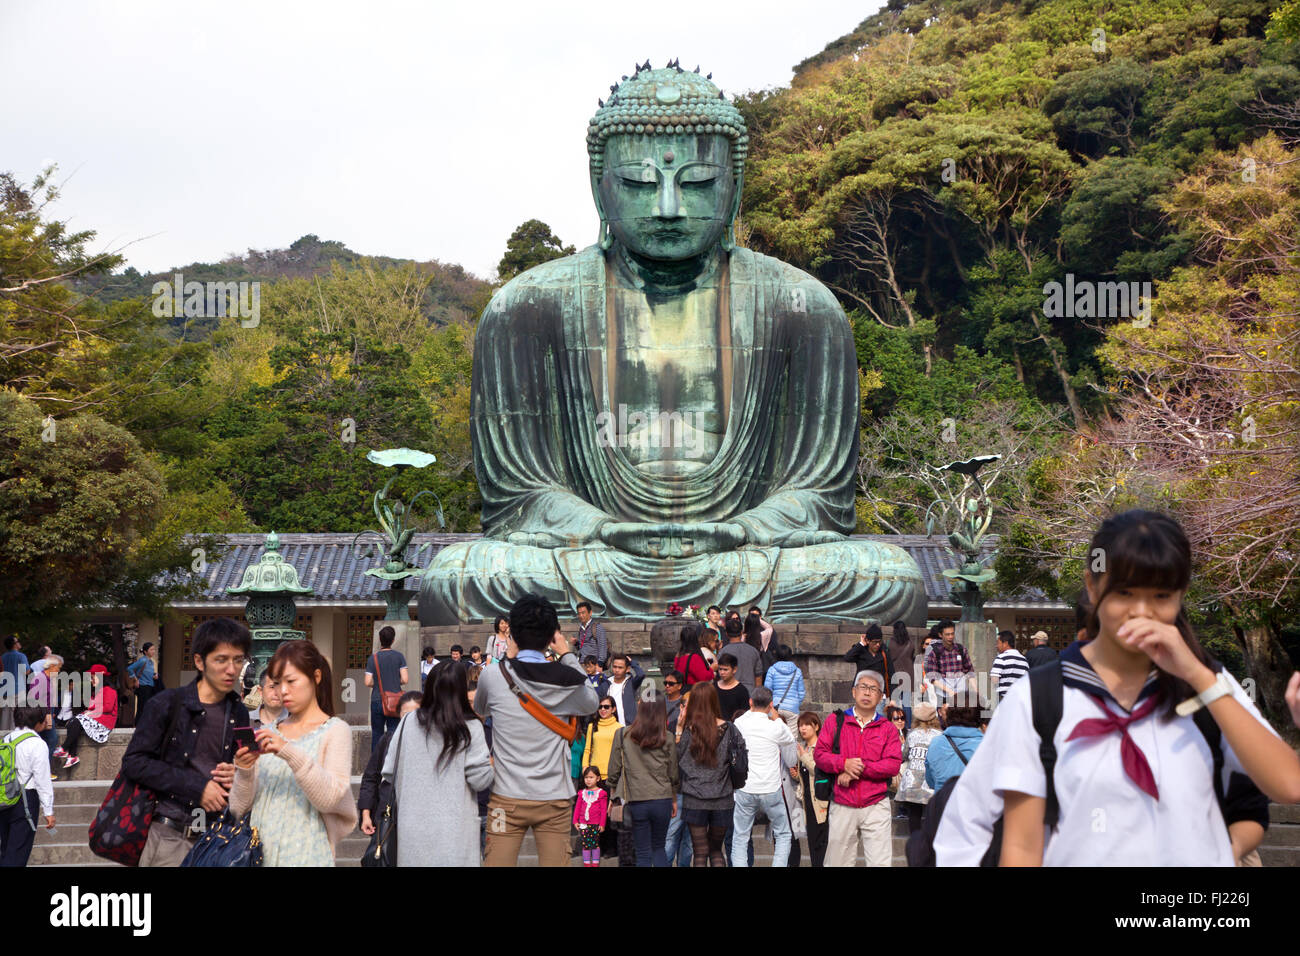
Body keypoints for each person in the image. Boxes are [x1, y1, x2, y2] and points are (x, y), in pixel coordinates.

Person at [942, 509, 1300, 866]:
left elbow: (1288, 785)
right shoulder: (1040, 697)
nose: (1141, 612)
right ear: (1093, 586)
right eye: (1125, 593)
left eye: (1161, 596)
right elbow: (1016, 845)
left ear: (1181, 594)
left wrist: (1200, 676)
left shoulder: (1208, 686)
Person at [474, 593, 600, 867]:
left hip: (505, 799)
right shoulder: (569, 681)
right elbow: (592, 700)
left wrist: (508, 656)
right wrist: (566, 653)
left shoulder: (493, 676)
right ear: (551, 636)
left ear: (512, 633)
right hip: (554, 799)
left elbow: (481, 708)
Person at [121, 617, 251, 866]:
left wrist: (239, 773)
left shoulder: (239, 712)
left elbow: (246, 765)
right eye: (221, 660)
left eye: (238, 660)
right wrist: (197, 787)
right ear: (199, 661)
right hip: (169, 836)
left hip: (219, 840)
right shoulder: (167, 704)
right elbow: (134, 762)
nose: (232, 669)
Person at [231, 640, 356, 866]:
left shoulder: (336, 731)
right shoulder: (267, 733)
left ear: (315, 677)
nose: (283, 691)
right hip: (258, 855)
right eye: (278, 683)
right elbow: (238, 808)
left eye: (291, 681)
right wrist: (245, 770)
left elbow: (330, 799)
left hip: (307, 854)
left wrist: (288, 751)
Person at [383, 663, 493, 866]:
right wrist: (492, 764)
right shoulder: (470, 727)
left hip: (412, 837)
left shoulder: (408, 722)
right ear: (461, 690)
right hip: (456, 840)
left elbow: (389, 771)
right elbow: (480, 781)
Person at [815, 669, 902, 867]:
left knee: (880, 863)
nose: (867, 692)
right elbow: (820, 755)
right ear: (854, 692)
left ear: (880, 697)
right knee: (838, 862)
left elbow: (893, 764)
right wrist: (843, 764)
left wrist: (858, 768)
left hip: (876, 804)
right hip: (843, 802)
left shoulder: (887, 728)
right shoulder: (836, 721)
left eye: (873, 689)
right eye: (863, 687)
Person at [675, 681, 744, 867]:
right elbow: (741, 757)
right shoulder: (730, 729)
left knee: (699, 852)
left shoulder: (689, 730)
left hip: (694, 797)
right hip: (722, 797)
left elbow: (677, 759)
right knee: (716, 851)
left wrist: (679, 729)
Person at [607, 696, 679, 867]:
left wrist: (612, 796)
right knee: (659, 848)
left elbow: (614, 770)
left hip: (637, 798)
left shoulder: (623, 734)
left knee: (642, 852)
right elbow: (673, 773)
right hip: (662, 798)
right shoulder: (667, 737)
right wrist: (674, 797)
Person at [730, 686, 796, 867]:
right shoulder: (774, 727)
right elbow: (790, 739)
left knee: (740, 837)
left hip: (745, 788)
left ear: (750, 702)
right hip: (770, 789)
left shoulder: (740, 723)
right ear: (771, 704)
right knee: (783, 834)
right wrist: (776, 718)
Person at [357, 691, 422, 839]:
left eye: (415, 714)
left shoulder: (431, 743)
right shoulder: (388, 740)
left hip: (418, 819)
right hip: (387, 815)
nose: (409, 720)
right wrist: (366, 814)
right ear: (399, 715)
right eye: (405, 715)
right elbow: (370, 778)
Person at [1, 706, 56, 865]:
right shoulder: (37, 744)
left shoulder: (6, 739)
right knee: (18, 853)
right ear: (37, 722)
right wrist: (48, 810)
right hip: (25, 800)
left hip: (4, 796)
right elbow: (42, 780)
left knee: (6, 848)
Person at [788, 711, 829, 868]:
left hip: (821, 804)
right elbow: (806, 778)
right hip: (808, 804)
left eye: (806, 725)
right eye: (800, 725)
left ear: (816, 726)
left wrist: (804, 756)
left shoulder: (821, 748)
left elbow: (820, 771)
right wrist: (796, 775)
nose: (802, 728)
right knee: (813, 846)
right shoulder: (803, 748)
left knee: (821, 846)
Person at [59, 664, 118, 771]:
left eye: (93, 677)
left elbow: (107, 708)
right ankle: (72, 756)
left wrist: (91, 712)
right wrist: (89, 711)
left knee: (77, 720)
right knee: (73, 722)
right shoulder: (96, 691)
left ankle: (64, 748)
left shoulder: (109, 690)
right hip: (97, 718)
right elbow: (91, 706)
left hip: (105, 722)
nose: (91, 680)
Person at [895, 701, 941, 834]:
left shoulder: (912, 734)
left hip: (912, 780)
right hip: (930, 780)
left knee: (914, 815)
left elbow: (904, 755)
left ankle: (915, 843)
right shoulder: (939, 736)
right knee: (931, 816)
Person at [662, 669, 692, 867]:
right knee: (672, 836)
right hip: (679, 789)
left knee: (689, 841)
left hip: (696, 791)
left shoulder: (702, 728)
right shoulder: (673, 726)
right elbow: (673, 758)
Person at [365, 625, 409, 754]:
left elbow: (367, 682)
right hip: (394, 700)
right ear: (393, 640)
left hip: (377, 699)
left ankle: (375, 768)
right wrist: (395, 681)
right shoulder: (399, 657)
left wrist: (378, 683)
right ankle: (391, 766)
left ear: (380, 639)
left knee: (377, 734)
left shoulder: (373, 658)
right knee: (393, 732)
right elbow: (405, 680)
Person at [924, 703, 986, 793]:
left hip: (943, 802)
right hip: (974, 802)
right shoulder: (987, 745)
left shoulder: (935, 743)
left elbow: (930, 781)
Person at [922, 622, 974, 704]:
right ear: (940, 635)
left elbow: (970, 672)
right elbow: (932, 678)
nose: (950, 637)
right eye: (947, 634)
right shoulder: (935, 652)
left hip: (961, 695)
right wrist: (950, 691)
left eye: (952, 634)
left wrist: (976, 691)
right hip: (943, 696)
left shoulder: (961, 649)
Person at [845, 624, 891, 709]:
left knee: (877, 720)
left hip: (878, 694)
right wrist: (861, 644)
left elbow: (891, 674)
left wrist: (891, 697)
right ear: (868, 641)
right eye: (875, 642)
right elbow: (847, 657)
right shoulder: (860, 651)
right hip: (862, 693)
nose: (877, 645)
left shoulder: (884, 653)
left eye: (879, 642)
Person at [573, 766, 609, 867]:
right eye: (586, 777)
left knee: (594, 844)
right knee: (585, 844)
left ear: (598, 778)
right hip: (583, 823)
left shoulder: (601, 793)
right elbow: (577, 808)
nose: (588, 780)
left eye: (591, 777)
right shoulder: (581, 793)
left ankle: (595, 863)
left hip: (595, 823)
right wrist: (575, 821)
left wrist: (602, 824)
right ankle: (587, 864)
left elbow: (603, 810)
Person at [582, 696, 622, 778]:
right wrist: (585, 767)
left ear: (613, 709)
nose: (603, 709)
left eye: (606, 707)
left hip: (612, 775)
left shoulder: (620, 728)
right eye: (600, 707)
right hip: (594, 775)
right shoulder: (592, 726)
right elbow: (587, 749)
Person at [764, 645, 805, 721]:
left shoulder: (772, 670)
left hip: (775, 707)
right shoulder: (797, 671)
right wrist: (795, 704)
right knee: (792, 732)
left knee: (774, 732)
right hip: (792, 708)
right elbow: (801, 693)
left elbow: (767, 691)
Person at [722, 617, 762, 692]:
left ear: (726, 634)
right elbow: (758, 676)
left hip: (729, 692)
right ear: (741, 632)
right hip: (749, 692)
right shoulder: (753, 651)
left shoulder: (723, 652)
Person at [888, 620, 916, 727]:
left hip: (895, 675)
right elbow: (912, 657)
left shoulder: (890, 643)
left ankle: (891, 725)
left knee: (893, 702)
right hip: (908, 676)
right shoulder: (910, 643)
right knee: (907, 704)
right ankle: (907, 726)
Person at [605, 653, 646, 725]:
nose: (617, 670)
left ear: (627, 669)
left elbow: (641, 674)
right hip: (610, 726)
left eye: (620, 667)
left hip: (627, 726)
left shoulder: (631, 683)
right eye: (615, 667)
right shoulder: (606, 683)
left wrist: (632, 662)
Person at [990, 630, 1029, 702]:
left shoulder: (1001, 658)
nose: (996, 646)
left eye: (998, 643)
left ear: (1005, 644)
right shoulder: (1024, 660)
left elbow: (994, 680)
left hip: (1004, 698)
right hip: (1020, 699)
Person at [1, 637, 29, 733]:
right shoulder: (21, 656)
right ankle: (17, 736)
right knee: (19, 714)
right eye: (18, 641)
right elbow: (26, 671)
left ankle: (3, 738)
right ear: (14, 644)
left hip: (5, 689)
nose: (19, 643)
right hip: (18, 689)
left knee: (5, 715)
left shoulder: (3, 657)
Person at [673, 622, 715, 688]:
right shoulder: (694, 658)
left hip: (683, 689)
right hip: (694, 691)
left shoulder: (678, 655)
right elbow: (704, 677)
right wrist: (712, 668)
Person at [713, 655, 750, 721]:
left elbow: (745, 714)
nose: (722, 672)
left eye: (725, 669)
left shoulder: (741, 690)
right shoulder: (713, 687)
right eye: (720, 669)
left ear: (734, 669)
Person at [126, 643, 159, 717]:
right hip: (143, 686)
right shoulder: (142, 660)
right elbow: (129, 668)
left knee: (148, 707)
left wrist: (154, 675)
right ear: (145, 651)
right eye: (151, 650)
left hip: (150, 686)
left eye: (154, 649)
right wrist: (136, 679)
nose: (153, 651)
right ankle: (139, 725)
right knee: (142, 707)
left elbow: (147, 672)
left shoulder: (151, 662)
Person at [575, 602, 608, 668]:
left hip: (592, 666)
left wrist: (599, 665)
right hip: (582, 664)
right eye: (579, 613)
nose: (581, 616)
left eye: (583, 613)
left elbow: (603, 647)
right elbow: (582, 647)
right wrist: (575, 644)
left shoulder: (597, 627)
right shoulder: (581, 628)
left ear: (590, 613)